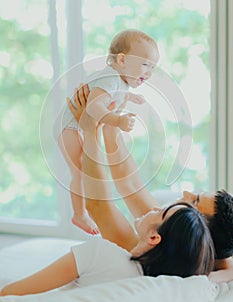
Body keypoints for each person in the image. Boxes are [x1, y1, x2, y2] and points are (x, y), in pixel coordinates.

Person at [0, 86, 214, 297]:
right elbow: (128, 183)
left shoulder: (105, 254)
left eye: (194, 202)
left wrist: (91, 129)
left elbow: (9, 294)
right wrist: (109, 123)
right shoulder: (188, 272)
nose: (186, 195)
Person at [56, 29, 159, 235]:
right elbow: (94, 107)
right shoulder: (110, 79)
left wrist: (129, 99)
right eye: (145, 64)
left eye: (153, 68)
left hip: (78, 128)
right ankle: (79, 214)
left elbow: (112, 97)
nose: (148, 73)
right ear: (122, 59)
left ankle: (81, 211)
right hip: (68, 129)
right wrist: (117, 120)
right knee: (80, 171)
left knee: (88, 169)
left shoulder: (118, 82)